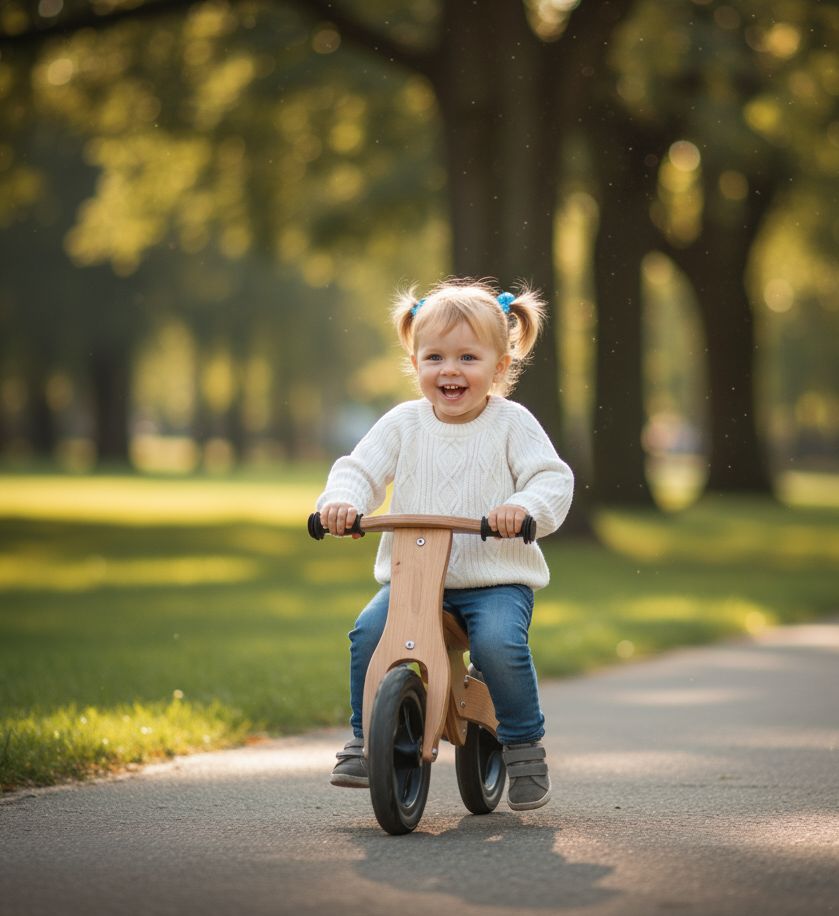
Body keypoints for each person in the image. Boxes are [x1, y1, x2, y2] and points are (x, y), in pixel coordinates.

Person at [316, 278, 574, 811]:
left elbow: (551, 479)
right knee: (368, 633)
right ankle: (365, 740)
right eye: (434, 357)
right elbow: (359, 470)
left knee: (498, 644)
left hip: (495, 580)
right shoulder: (402, 424)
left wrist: (522, 508)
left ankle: (523, 745)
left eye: (467, 358)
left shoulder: (512, 424)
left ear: (500, 367)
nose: (449, 370)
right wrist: (341, 503)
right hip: (413, 579)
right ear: (415, 363)